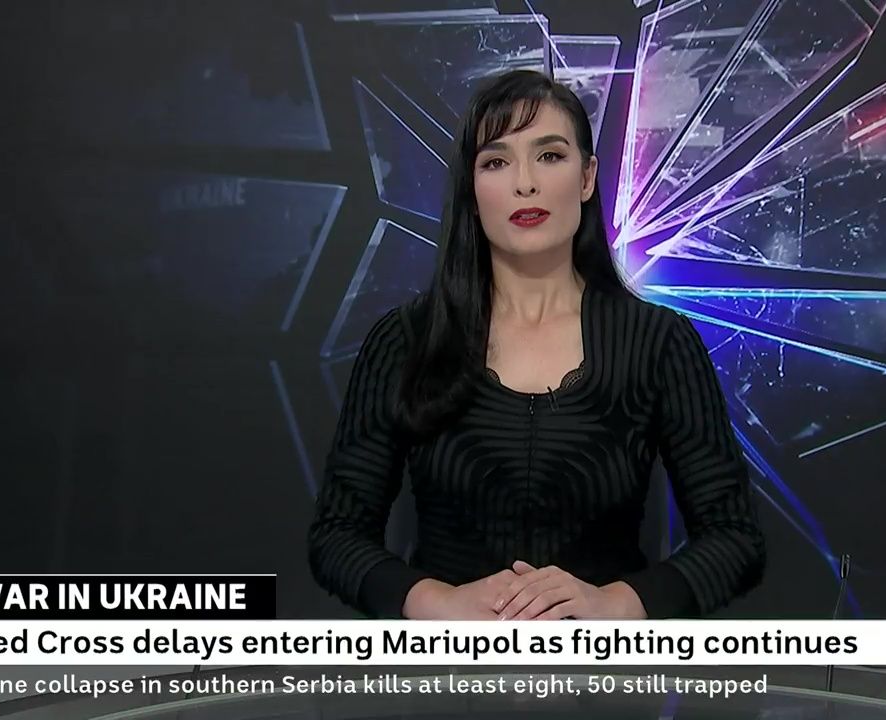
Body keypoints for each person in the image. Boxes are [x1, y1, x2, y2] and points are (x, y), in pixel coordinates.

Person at [308, 69, 764, 621]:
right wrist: (436, 603)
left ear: (587, 177)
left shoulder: (659, 343)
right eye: (496, 162)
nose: (525, 183)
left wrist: (615, 604)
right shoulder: (405, 341)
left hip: (603, 668)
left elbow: (734, 537)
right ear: (472, 190)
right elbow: (336, 535)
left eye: (549, 156)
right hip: (449, 667)